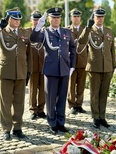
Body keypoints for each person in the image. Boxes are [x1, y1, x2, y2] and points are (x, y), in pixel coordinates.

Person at [0, 8, 31, 141]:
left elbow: (29, 52)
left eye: (19, 19)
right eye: (14, 19)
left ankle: (18, 128)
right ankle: (6, 129)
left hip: (21, 72)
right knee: (5, 102)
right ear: (8, 19)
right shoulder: (1, 32)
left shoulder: (24, 32)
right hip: (5, 72)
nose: (17, 21)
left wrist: (28, 70)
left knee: (19, 102)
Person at [30, 7, 75, 135]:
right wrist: (39, 25)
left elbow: (72, 48)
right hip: (50, 70)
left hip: (64, 69)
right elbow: (33, 39)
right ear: (49, 19)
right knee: (50, 98)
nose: (56, 19)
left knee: (62, 97)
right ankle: (52, 123)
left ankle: (61, 122)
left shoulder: (67, 32)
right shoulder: (45, 32)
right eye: (53, 17)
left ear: (60, 19)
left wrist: (72, 66)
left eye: (58, 17)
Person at [78, 8, 116, 129]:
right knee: (94, 93)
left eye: (102, 17)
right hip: (94, 67)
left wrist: (113, 65)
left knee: (104, 93)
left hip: (107, 67)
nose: (100, 19)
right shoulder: (90, 30)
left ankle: (102, 116)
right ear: (94, 18)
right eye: (98, 17)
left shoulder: (109, 31)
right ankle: (95, 117)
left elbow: (112, 50)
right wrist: (87, 28)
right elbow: (81, 41)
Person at [67, 8, 88, 115]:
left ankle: (79, 105)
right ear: (71, 18)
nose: (76, 18)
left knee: (81, 85)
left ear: (80, 18)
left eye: (78, 16)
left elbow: (88, 47)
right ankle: (71, 105)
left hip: (83, 62)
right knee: (71, 85)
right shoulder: (66, 30)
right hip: (71, 63)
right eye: (74, 16)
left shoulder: (85, 29)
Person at [27, 11, 46, 120]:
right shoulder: (27, 32)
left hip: (43, 64)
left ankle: (41, 109)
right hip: (32, 64)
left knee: (43, 89)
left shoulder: (45, 32)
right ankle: (33, 110)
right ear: (31, 20)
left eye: (38, 20)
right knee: (33, 89)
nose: (36, 21)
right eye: (34, 19)